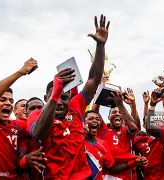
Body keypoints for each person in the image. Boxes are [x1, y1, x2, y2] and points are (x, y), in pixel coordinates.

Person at [27, 14, 110, 180]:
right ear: (46, 97)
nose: (59, 101)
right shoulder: (37, 115)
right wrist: (56, 92)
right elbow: (39, 134)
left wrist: (100, 46)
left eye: (64, 98)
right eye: (54, 96)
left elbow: (93, 80)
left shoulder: (76, 105)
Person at [0, 57, 39, 179]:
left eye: (11, 100)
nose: (8, 103)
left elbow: (39, 126)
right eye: (2, 100)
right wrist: (21, 72)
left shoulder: (17, 126)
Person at [84, 110, 148, 180]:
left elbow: (112, 168)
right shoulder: (76, 140)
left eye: (97, 119)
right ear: (83, 122)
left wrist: (134, 161)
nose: (95, 121)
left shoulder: (102, 145)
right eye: (90, 119)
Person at [93, 90, 139, 180]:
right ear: (108, 117)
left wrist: (123, 104)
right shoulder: (103, 129)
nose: (117, 113)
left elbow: (134, 126)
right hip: (107, 175)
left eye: (119, 112)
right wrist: (101, 93)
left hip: (126, 175)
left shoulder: (126, 130)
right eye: (114, 112)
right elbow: (94, 111)